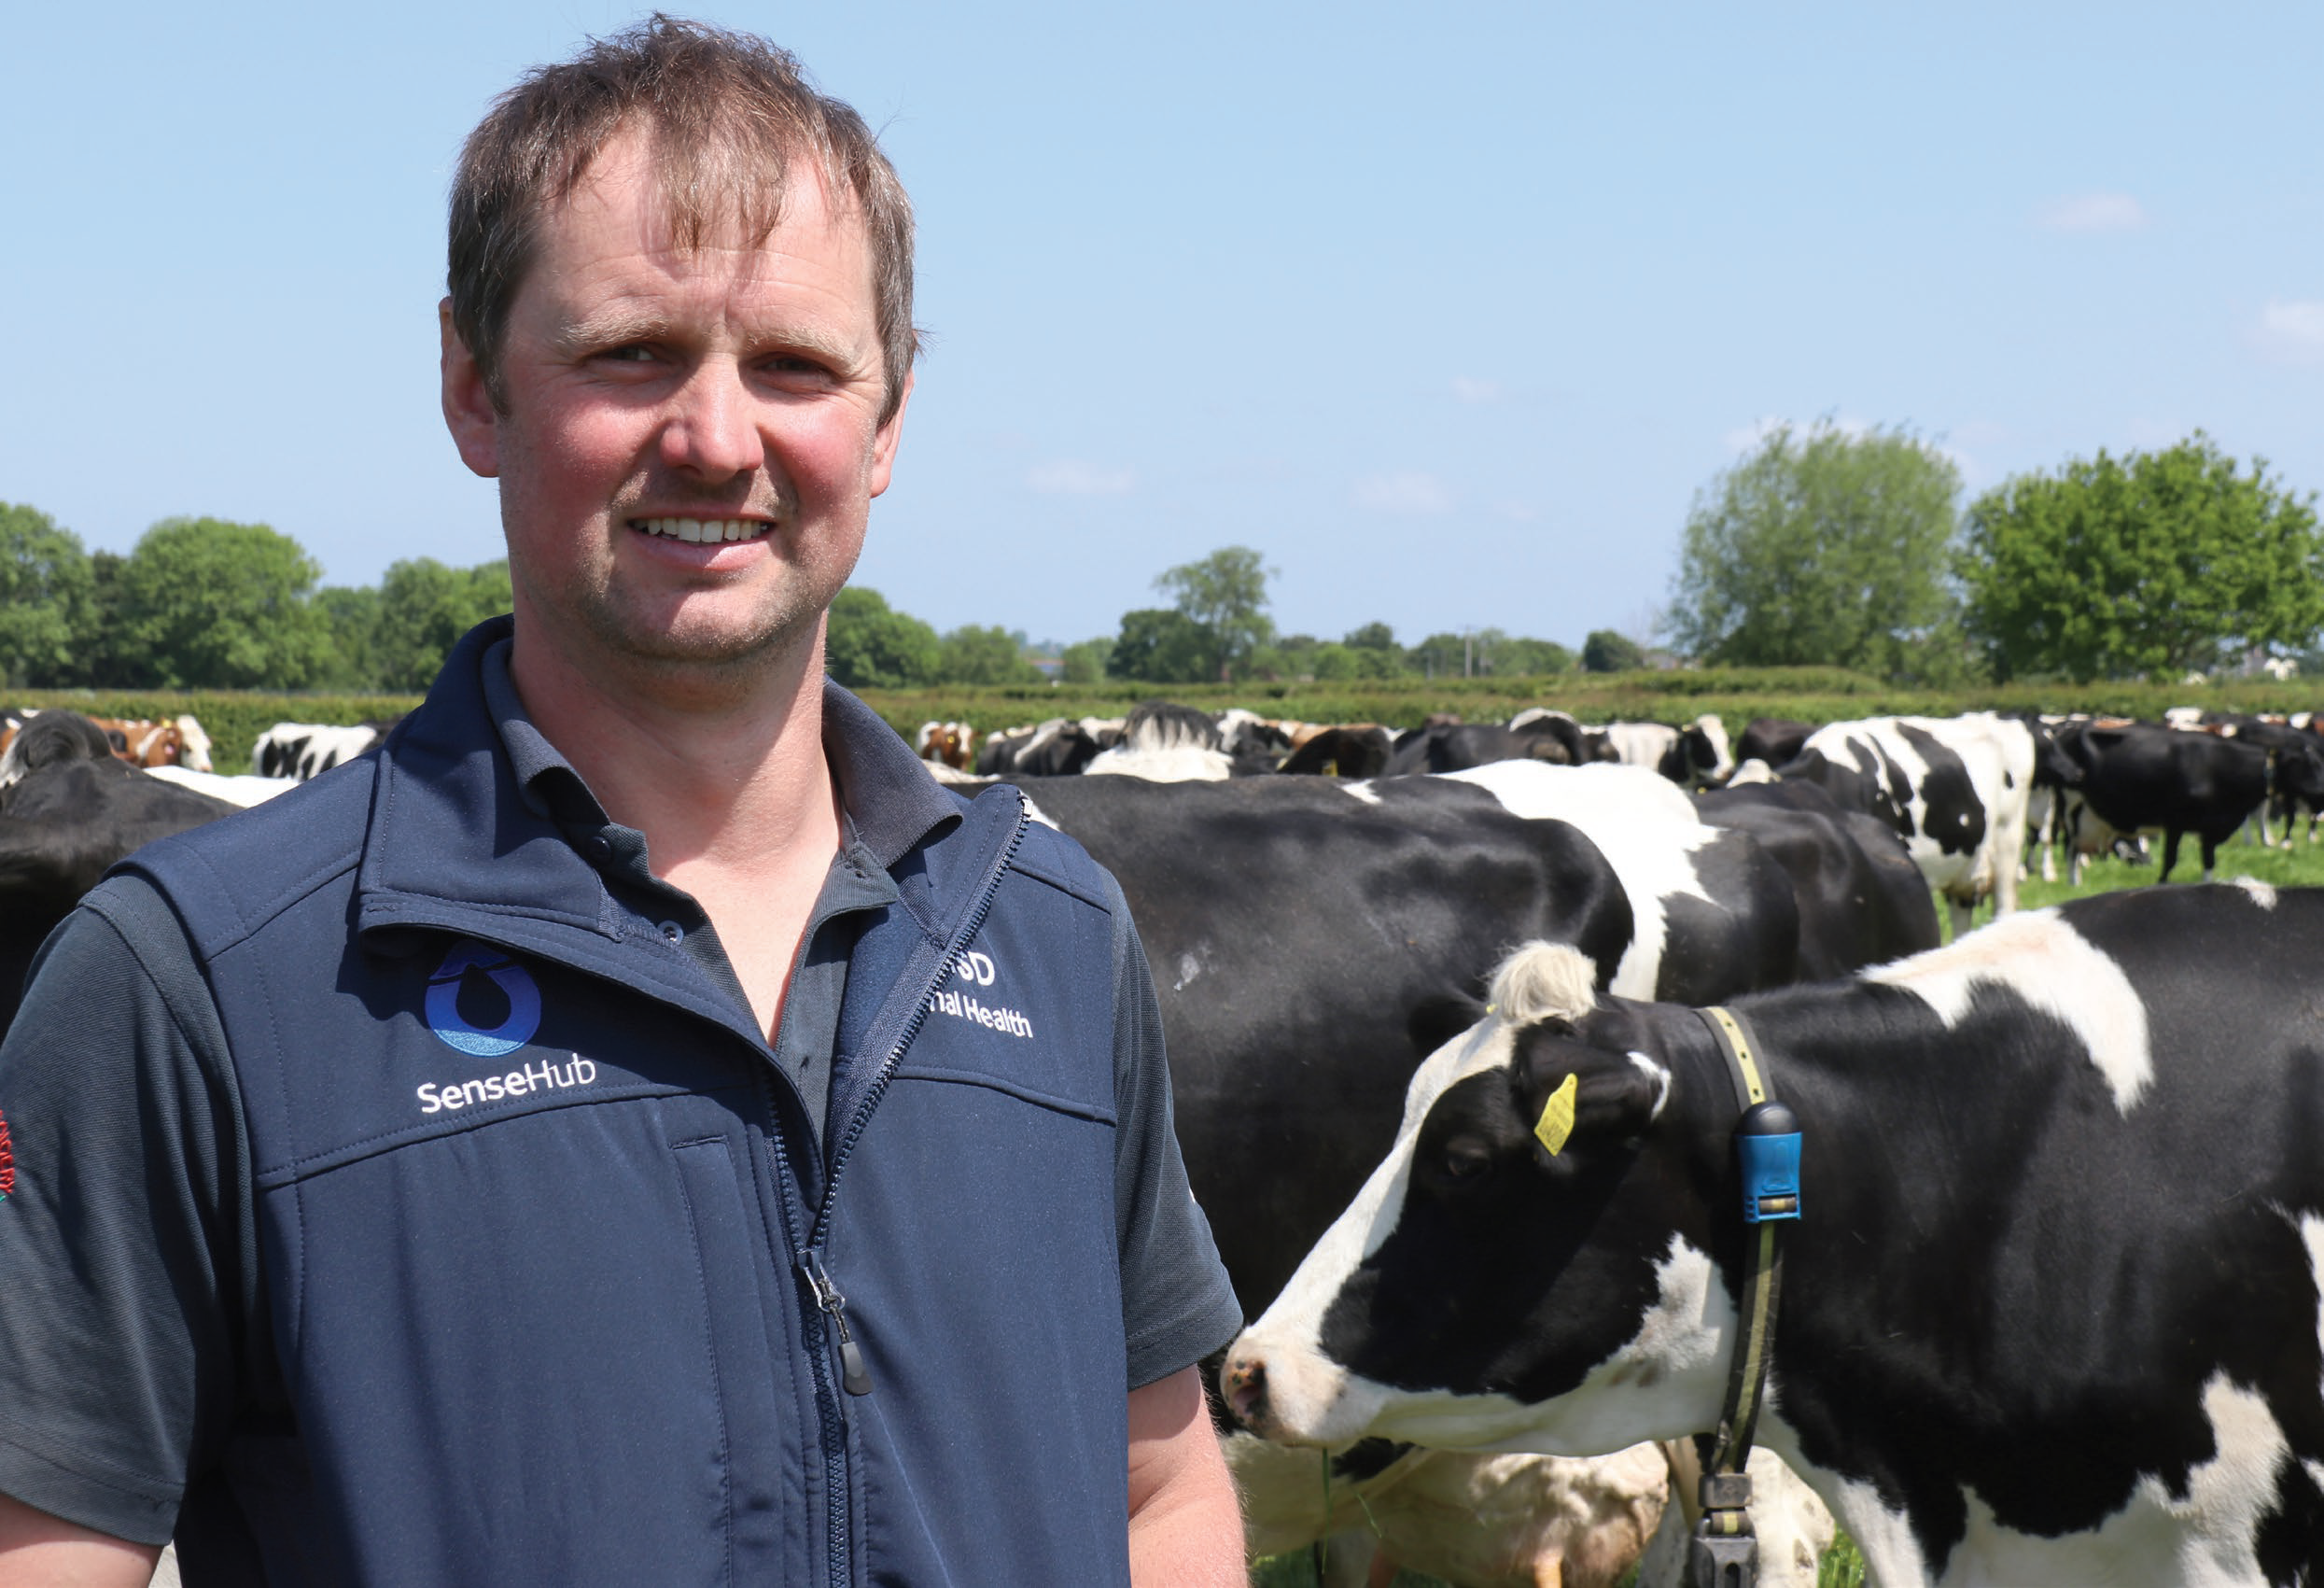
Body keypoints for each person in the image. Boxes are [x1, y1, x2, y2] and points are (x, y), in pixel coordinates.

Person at [0, 17, 1245, 1586]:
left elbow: (1158, 1494)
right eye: (630, 354)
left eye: (795, 365)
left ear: (889, 421)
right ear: (472, 387)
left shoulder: (1051, 937)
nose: (717, 439)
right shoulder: (200, 985)